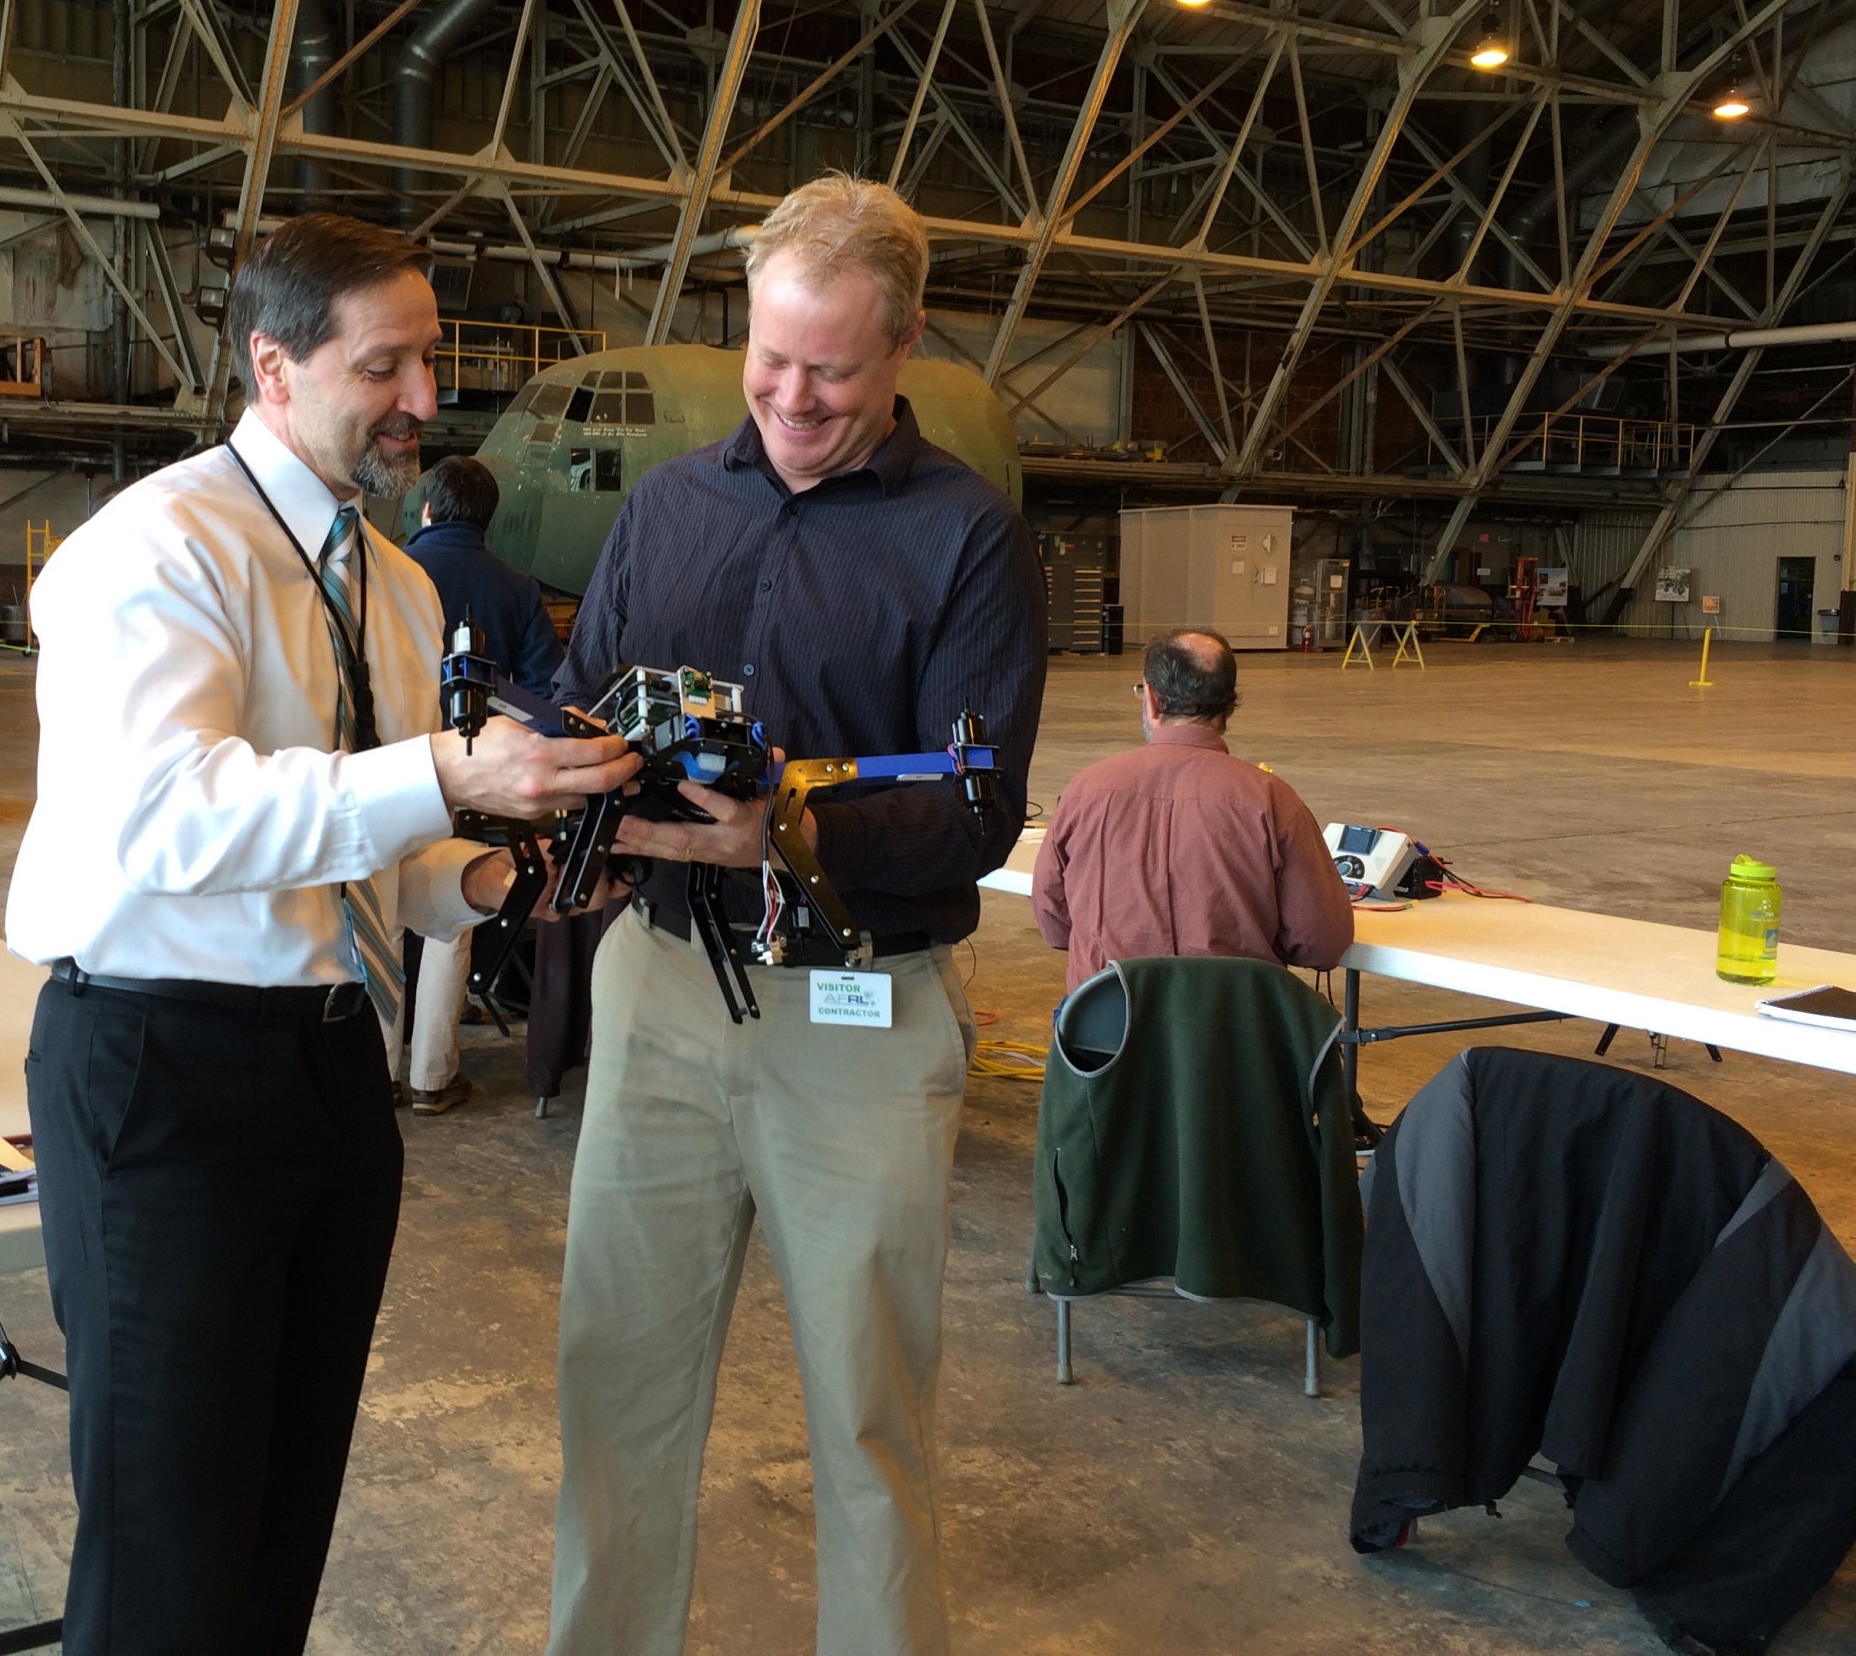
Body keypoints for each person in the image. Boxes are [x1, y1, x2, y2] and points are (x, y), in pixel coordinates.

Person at [6, 212, 639, 1656]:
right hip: (162, 1069)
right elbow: (168, 819)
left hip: (331, 1075)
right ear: (273, 367)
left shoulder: (397, 584)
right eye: (386, 364)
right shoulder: (159, 549)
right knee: (167, 1535)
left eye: (429, 360)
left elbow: (373, 866)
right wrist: (445, 774)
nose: (424, 399)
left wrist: (501, 885)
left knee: (284, 1513)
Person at [547, 173, 1047, 1656]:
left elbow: (981, 804)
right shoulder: (668, 506)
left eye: (831, 368)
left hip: (862, 1007)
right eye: (773, 356)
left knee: (868, 1395)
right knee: (614, 1368)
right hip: (661, 981)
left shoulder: (967, 539)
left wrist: (795, 824)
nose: (793, 394)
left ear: (901, 357)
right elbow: (595, 696)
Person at [1031, 627, 1354, 991]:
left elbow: (1055, 926)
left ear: (1151, 698)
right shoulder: (1272, 800)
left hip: (1106, 1035)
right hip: (1230, 1034)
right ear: (1230, 703)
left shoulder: (1085, 791)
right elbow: (1321, 944)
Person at [398, 454, 567, 1113]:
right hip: (474, 779)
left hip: (393, 762)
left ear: (428, 510)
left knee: (375, 898)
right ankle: (431, 1077)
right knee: (452, 914)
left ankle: (377, 1066)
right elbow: (544, 688)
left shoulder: (389, 571)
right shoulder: (517, 586)